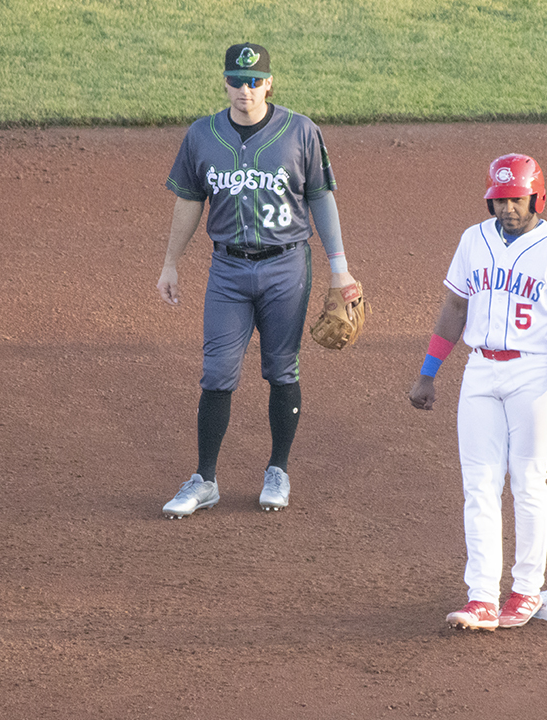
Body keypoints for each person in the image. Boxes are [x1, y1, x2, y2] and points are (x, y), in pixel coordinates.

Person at [157, 42, 359, 518]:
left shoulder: (300, 132)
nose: (244, 90)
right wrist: (170, 262)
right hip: (227, 269)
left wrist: (339, 266)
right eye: (236, 80)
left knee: (281, 369)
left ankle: (278, 470)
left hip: (286, 266)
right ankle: (205, 480)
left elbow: (321, 198)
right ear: (224, 82)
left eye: (253, 81)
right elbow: (189, 200)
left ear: (269, 82)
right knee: (217, 373)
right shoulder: (202, 135)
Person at [409, 153, 547, 630]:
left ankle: (527, 590)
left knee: (527, 479)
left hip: (537, 374)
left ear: (536, 196)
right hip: (481, 371)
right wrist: (429, 372)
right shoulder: (474, 240)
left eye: (516, 199)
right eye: (499, 199)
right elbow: (454, 306)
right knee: (479, 485)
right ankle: (481, 596)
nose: (508, 208)